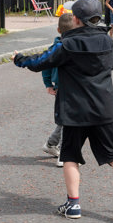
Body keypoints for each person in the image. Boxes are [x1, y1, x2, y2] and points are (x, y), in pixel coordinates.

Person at [12, 0, 113, 221]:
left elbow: (41, 62)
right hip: (104, 106)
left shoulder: (67, 43)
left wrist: (19, 59)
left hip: (75, 109)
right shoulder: (106, 40)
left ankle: (73, 204)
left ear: (76, 19)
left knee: (70, 155)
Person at [42, 13, 77, 167]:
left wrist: (48, 84)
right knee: (69, 120)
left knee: (66, 119)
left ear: (58, 29)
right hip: (66, 87)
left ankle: (51, 144)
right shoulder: (69, 47)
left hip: (64, 86)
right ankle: (64, 154)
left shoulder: (55, 47)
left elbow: (45, 66)